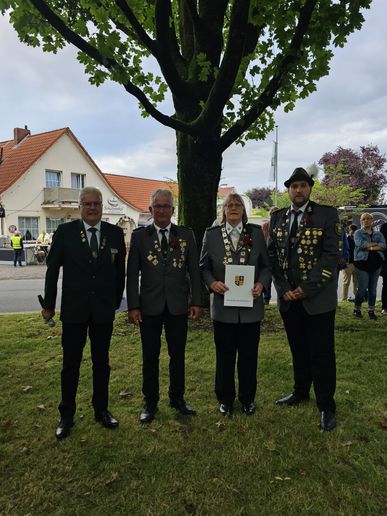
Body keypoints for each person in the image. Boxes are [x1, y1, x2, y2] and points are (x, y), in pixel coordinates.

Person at [41, 186, 126, 439]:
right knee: (71, 365)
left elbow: (119, 272)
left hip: (102, 310)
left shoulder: (114, 233)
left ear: (102, 207)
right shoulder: (65, 232)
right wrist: (48, 304)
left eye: (96, 204)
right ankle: (66, 415)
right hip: (74, 309)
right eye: (87, 203)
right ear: (79, 206)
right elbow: (52, 270)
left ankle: (101, 410)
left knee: (102, 363)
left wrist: (114, 302)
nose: (92, 208)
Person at [268, 167, 340, 431]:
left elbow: (331, 257)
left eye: (303, 186)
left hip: (317, 300)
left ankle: (326, 406)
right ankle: (300, 391)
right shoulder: (278, 218)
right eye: (294, 186)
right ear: (288, 190)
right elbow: (272, 257)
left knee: (321, 354)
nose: (298, 190)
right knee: (298, 350)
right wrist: (284, 287)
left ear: (310, 189)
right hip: (289, 299)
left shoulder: (326, 215)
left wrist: (305, 289)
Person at [126, 189, 202, 424]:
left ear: (172, 210)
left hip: (178, 306)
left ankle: (177, 398)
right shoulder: (140, 237)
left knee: (177, 355)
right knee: (150, 356)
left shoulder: (186, 235)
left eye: (166, 206)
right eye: (157, 206)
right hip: (149, 307)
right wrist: (133, 306)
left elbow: (194, 272)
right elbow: (132, 275)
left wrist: (196, 301)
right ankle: (150, 402)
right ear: (150, 210)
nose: (161, 210)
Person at [200, 193, 271, 416]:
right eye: (229, 205)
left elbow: (266, 267)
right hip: (223, 309)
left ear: (243, 210)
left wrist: (261, 284)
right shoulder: (211, 235)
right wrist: (212, 284)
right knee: (225, 356)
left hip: (251, 309)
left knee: (249, 356)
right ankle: (225, 398)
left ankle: (248, 399)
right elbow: (203, 268)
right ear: (224, 210)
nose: (233, 208)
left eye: (237, 205)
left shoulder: (257, 234)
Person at [353, 213, 385, 319]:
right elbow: (361, 244)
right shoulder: (357, 233)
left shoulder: (378, 234)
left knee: (373, 289)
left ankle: (371, 311)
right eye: (363, 219)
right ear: (361, 221)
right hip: (361, 264)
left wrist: (370, 247)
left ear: (372, 220)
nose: (366, 220)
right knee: (362, 288)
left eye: (368, 219)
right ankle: (356, 309)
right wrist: (375, 244)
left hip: (376, 264)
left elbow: (384, 245)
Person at [261, 206, 279, 305]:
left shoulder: (283, 225)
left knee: (279, 278)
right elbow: (263, 240)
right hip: (267, 255)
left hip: (279, 257)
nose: (274, 215)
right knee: (267, 278)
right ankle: (266, 298)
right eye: (272, 213)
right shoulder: (265, 226)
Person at [342, 224, 358, 301]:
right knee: (346, 282)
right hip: (348, 264)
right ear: (349, 230)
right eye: (351, 230)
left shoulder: (357, 240)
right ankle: (344, 298)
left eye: (354, 231)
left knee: (356, 282)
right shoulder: (346, 239)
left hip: (356, 264)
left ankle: (356, 297)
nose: (353, 232)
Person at [380, 222, 387, 315]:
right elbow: (382, 243)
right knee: (386, 284)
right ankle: (385, 307)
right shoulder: (385, 226)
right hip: (386, 261)